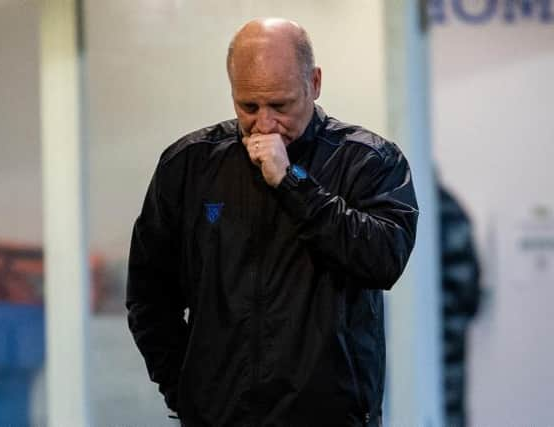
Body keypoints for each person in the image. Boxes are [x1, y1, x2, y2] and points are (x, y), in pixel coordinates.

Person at [126, 18, 418, 427]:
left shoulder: (369, 161)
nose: (264, 124)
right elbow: (149, 296)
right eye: (248, 106)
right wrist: (185, 391)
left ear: (313, 84)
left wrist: (292, 183)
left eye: (280, 106)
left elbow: (383, 258)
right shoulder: (189, 165)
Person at [438, 184, 481, 427]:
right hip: (452, 334)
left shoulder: (440, 208)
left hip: (445, 335)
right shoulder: (450, 207)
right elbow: (470, 293)